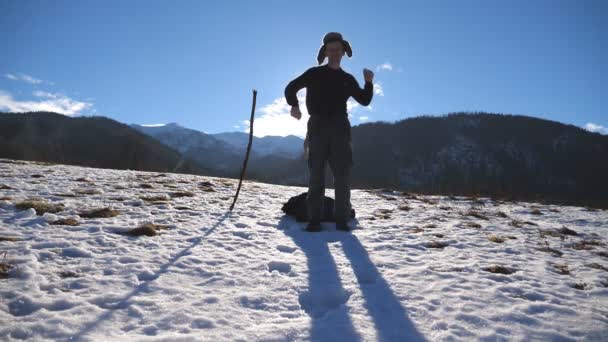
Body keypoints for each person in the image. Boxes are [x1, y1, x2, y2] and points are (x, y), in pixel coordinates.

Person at [284, 32, 374, 232]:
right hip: (317, 127)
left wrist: (368, 82)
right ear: (325, 52)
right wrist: (294, 105)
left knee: (342, 175)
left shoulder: (347, 79)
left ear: (343, 52)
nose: (334, 53)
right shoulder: (314, 74)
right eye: (330, 49)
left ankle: (341, 220)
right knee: (316, 175)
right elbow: (291, 87)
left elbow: (364, 100)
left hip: (341, 128)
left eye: (338, 50)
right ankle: (314, 220)